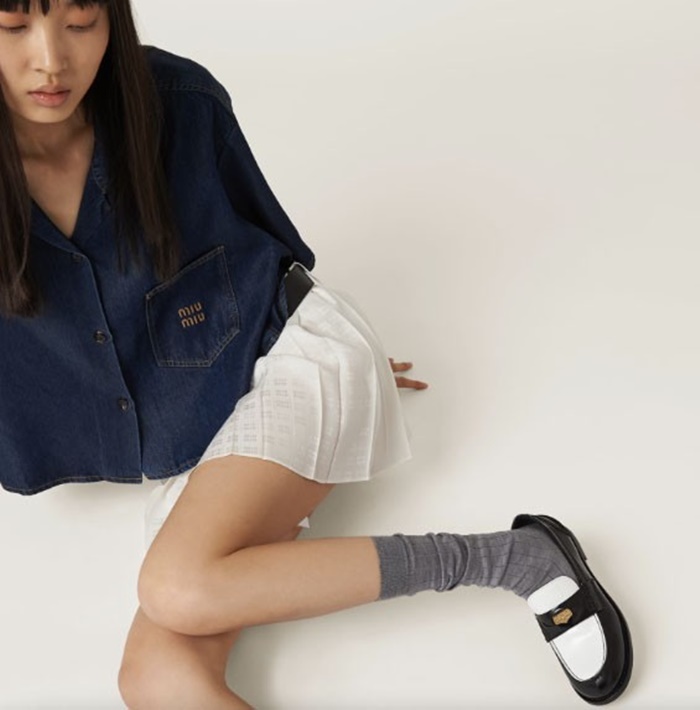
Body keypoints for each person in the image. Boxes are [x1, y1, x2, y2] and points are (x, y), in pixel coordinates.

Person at [0, 0, 633, 707]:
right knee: (154, 680)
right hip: (189, 436)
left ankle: (516, 558)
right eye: (11, 26)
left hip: (283, 362)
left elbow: (269, 258)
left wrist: (334, 372)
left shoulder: (180, 105)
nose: (50, 61)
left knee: (174, 586)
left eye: (80, 22)